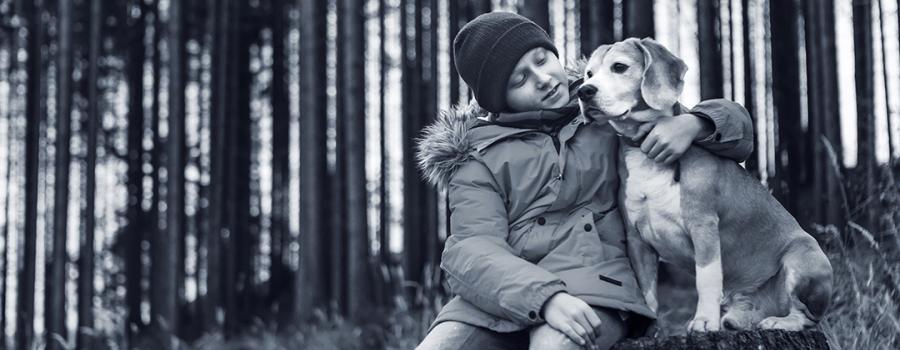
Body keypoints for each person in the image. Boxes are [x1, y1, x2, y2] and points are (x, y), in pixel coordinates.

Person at [415, 11, 754, 350]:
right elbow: (471, 250)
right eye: (519, 80)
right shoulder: (476, 156)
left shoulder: (607, 113)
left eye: (542, 59)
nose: (544, 79)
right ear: (498, 100)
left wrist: (697, 123)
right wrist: (544, 298)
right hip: (492, 302)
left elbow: (738, 131)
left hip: (594, 290)